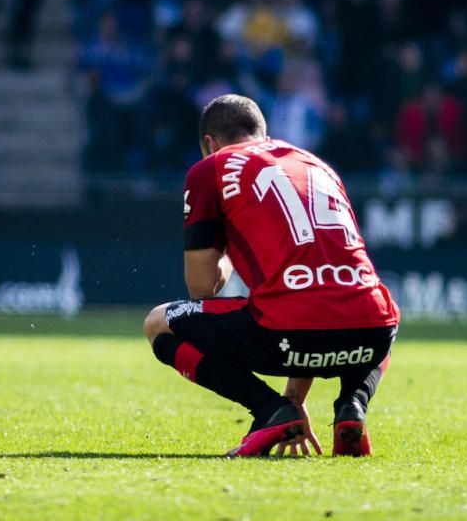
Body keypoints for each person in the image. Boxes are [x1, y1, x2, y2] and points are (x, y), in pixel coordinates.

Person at [143, 95, 399, 457]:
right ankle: (352, 405)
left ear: (210, 144)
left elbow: (202, 288)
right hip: (372, 336)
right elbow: (320, 287)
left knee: (158, 324)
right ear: (263, 134)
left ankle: (268, 410)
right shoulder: (317, 166)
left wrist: (226, 241)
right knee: (375, 305)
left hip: (288, 334)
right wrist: (297, 396)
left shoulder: (210, 168)